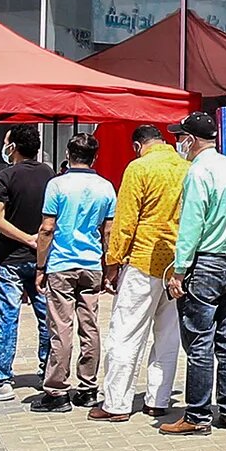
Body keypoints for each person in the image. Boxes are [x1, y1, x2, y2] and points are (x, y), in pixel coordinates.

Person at [158, 112, 226, 435]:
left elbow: (191, 226)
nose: (177, 142)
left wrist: (179, 269)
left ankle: (197, 415)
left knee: (199, 341)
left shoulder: (198, 172)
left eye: (180, 137)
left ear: (191, 140)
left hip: (205, 263)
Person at [93, 124, 188, 422]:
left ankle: (117, 402)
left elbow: (124, 220)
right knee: (167, 336)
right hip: (177, 264)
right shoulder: (187, 168)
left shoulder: (139, 168)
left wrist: (112, 261)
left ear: (138, 145)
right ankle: (158, 401)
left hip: (143, 259)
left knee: (125, 332)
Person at [30, 135, 116, 414]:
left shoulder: (57, 185)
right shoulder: (105, 187)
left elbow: (47, 228)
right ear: (95, 156)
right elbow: (108, 231)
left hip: (61, 263)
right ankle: (88, 386)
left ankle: (57, 389)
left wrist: (40, 266)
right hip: (91, 263)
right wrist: (108, 265)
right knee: (89, 326)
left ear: (68, 154)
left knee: (61, 327)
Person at [0, 127, 55, 401]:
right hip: (41, 260)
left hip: (11, 258)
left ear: (13, 147)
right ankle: (49, 371)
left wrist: (26, 239)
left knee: (7, 320)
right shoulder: (49, 174)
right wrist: (38, 242)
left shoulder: (5, 176)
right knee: (46, 318)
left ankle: (1, 377)